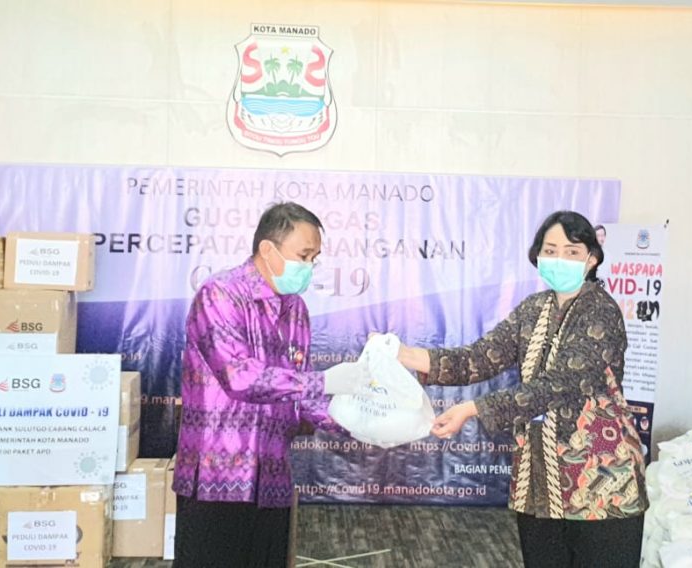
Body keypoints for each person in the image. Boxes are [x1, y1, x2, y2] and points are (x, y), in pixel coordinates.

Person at [392, 211, 647, 567]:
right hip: (541, 480)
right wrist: (405, 355)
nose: (560, 259)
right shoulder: (533, 310)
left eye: (572, 251)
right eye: (551, 250)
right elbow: (480, 357)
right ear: (538, 256)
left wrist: (473, 409)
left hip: (600, 480)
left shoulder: (600, 311)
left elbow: (557, 386)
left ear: (591, 259)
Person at [172, 202, 368, 568]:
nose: (309, 267)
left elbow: (303, 397)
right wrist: (323, 380)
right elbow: (239, 376)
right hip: (218, 474)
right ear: (268, 249)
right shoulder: (220, 295)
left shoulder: (296, 309)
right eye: (303, 256)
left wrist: (359, 422)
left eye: (314, 259)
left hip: (272, 475)